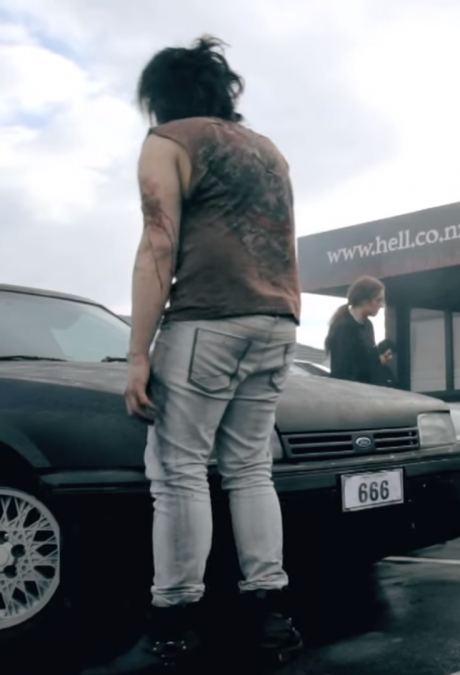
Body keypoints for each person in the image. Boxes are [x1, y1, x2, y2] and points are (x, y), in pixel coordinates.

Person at [96, 35, 303, 674]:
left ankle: (174, 623)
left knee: (178, 470)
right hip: (278, 319)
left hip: (208, 319)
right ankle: (271, 615)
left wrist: (137, 353)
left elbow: (158, 244)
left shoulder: (169, 141)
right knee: (249, 469)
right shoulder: (267, 150)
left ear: (159, 97)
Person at [324, 275, 387, 386]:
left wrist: (380, 358)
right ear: (363, 300)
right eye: (378, 300)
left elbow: (368, 365)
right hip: (348, 391)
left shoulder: (368, 325)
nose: (381, 305)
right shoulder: (344, 327)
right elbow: (341, 371)